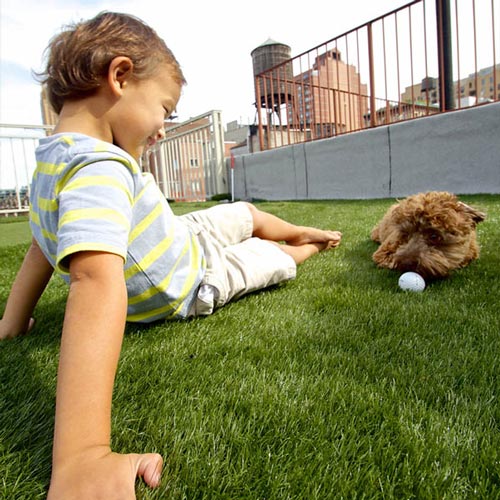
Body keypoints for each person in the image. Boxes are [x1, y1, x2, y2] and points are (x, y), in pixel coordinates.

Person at [0, 11, 342, 499]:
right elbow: (95, 281)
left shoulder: (51, 159)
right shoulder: (99, 167)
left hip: (179, 237)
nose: (163, 126)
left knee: (241, 212)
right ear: (119, 77)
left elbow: (40, 242)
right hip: (188, 279)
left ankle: (299, 229)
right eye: (164, 107)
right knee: (267, 259)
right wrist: (82, 456)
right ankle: (305, 245)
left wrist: (13, 323)